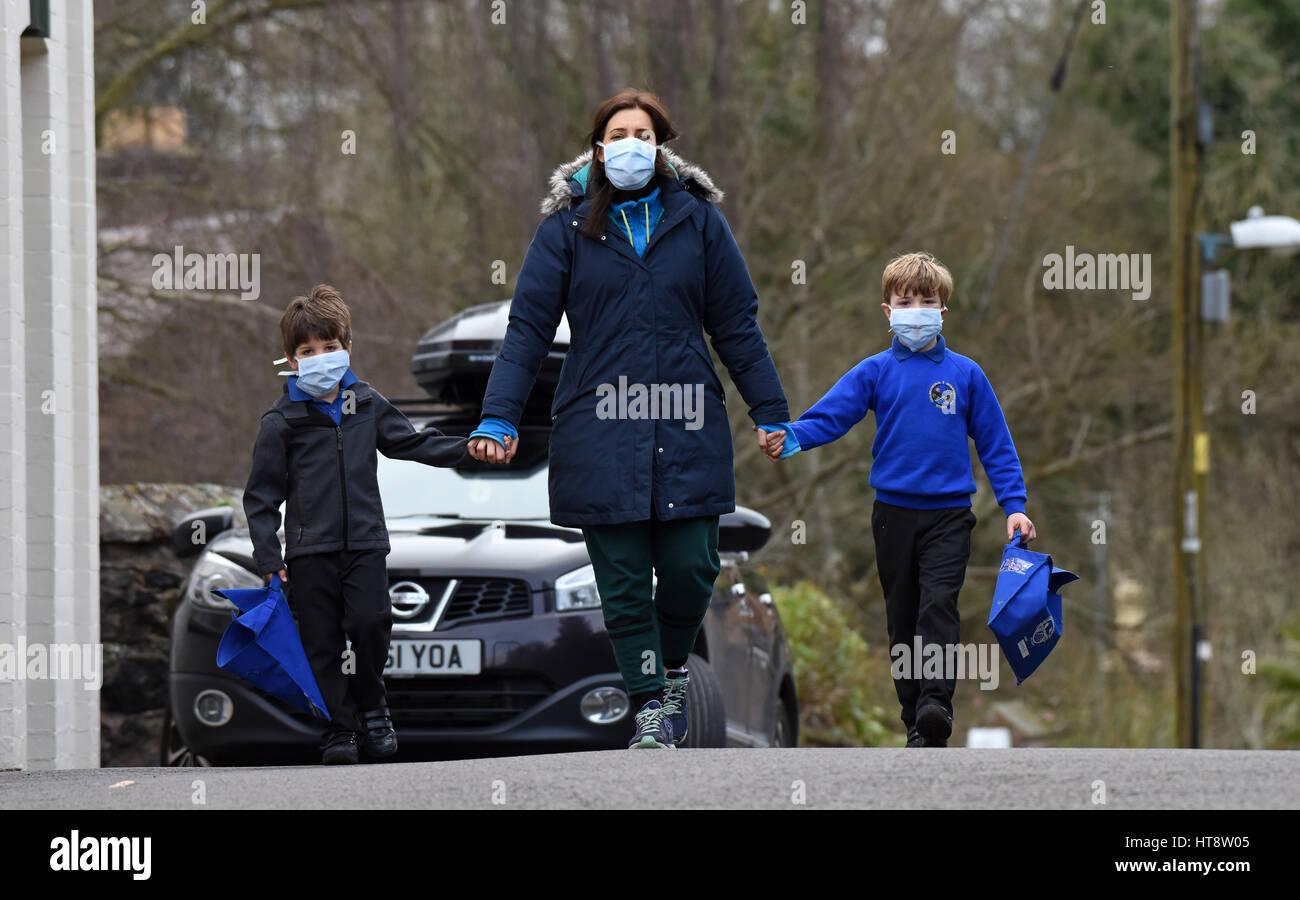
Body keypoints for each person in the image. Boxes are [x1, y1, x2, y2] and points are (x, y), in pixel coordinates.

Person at [468, 89, 789, 749]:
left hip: (686, 418)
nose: (631, 144)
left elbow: (735, 322)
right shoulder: (564, 228)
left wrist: (771, 410)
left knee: (692, 565)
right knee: (619, 581)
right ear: (598, 147)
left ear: (660, 145)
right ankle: (650, 705)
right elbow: (528, 327)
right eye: (619, 133)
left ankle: (669, 669)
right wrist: (498, 417)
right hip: (598, 423)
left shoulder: (698, 222)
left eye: (643, 133)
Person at [758, 252, 1037, 748]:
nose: (916, 309)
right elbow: (833, 416)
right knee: (902, 617)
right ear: (887, 310)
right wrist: (793, 437)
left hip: (950, 515)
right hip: (892, 516)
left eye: (927, 300)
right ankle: (915, 719)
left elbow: (997, 444)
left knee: (938, 607)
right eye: (905, 301)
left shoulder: (966, 374)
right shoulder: (875, 371)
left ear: (943, 310)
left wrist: (1014, 505)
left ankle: (937, 703)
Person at [243, 284, 468, 764]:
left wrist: (471, 447)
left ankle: (372, 704)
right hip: (308, 553)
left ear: (348, 347)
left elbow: (413, 444)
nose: (320, 357)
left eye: (329, 347)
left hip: (365, 545)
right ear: (291, 359)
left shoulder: (366, 403)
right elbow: (261, 498)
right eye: (307, 351)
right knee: (320, 645)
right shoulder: (281, 422)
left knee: (371, 625)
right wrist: (268, 560)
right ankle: (337, 731)